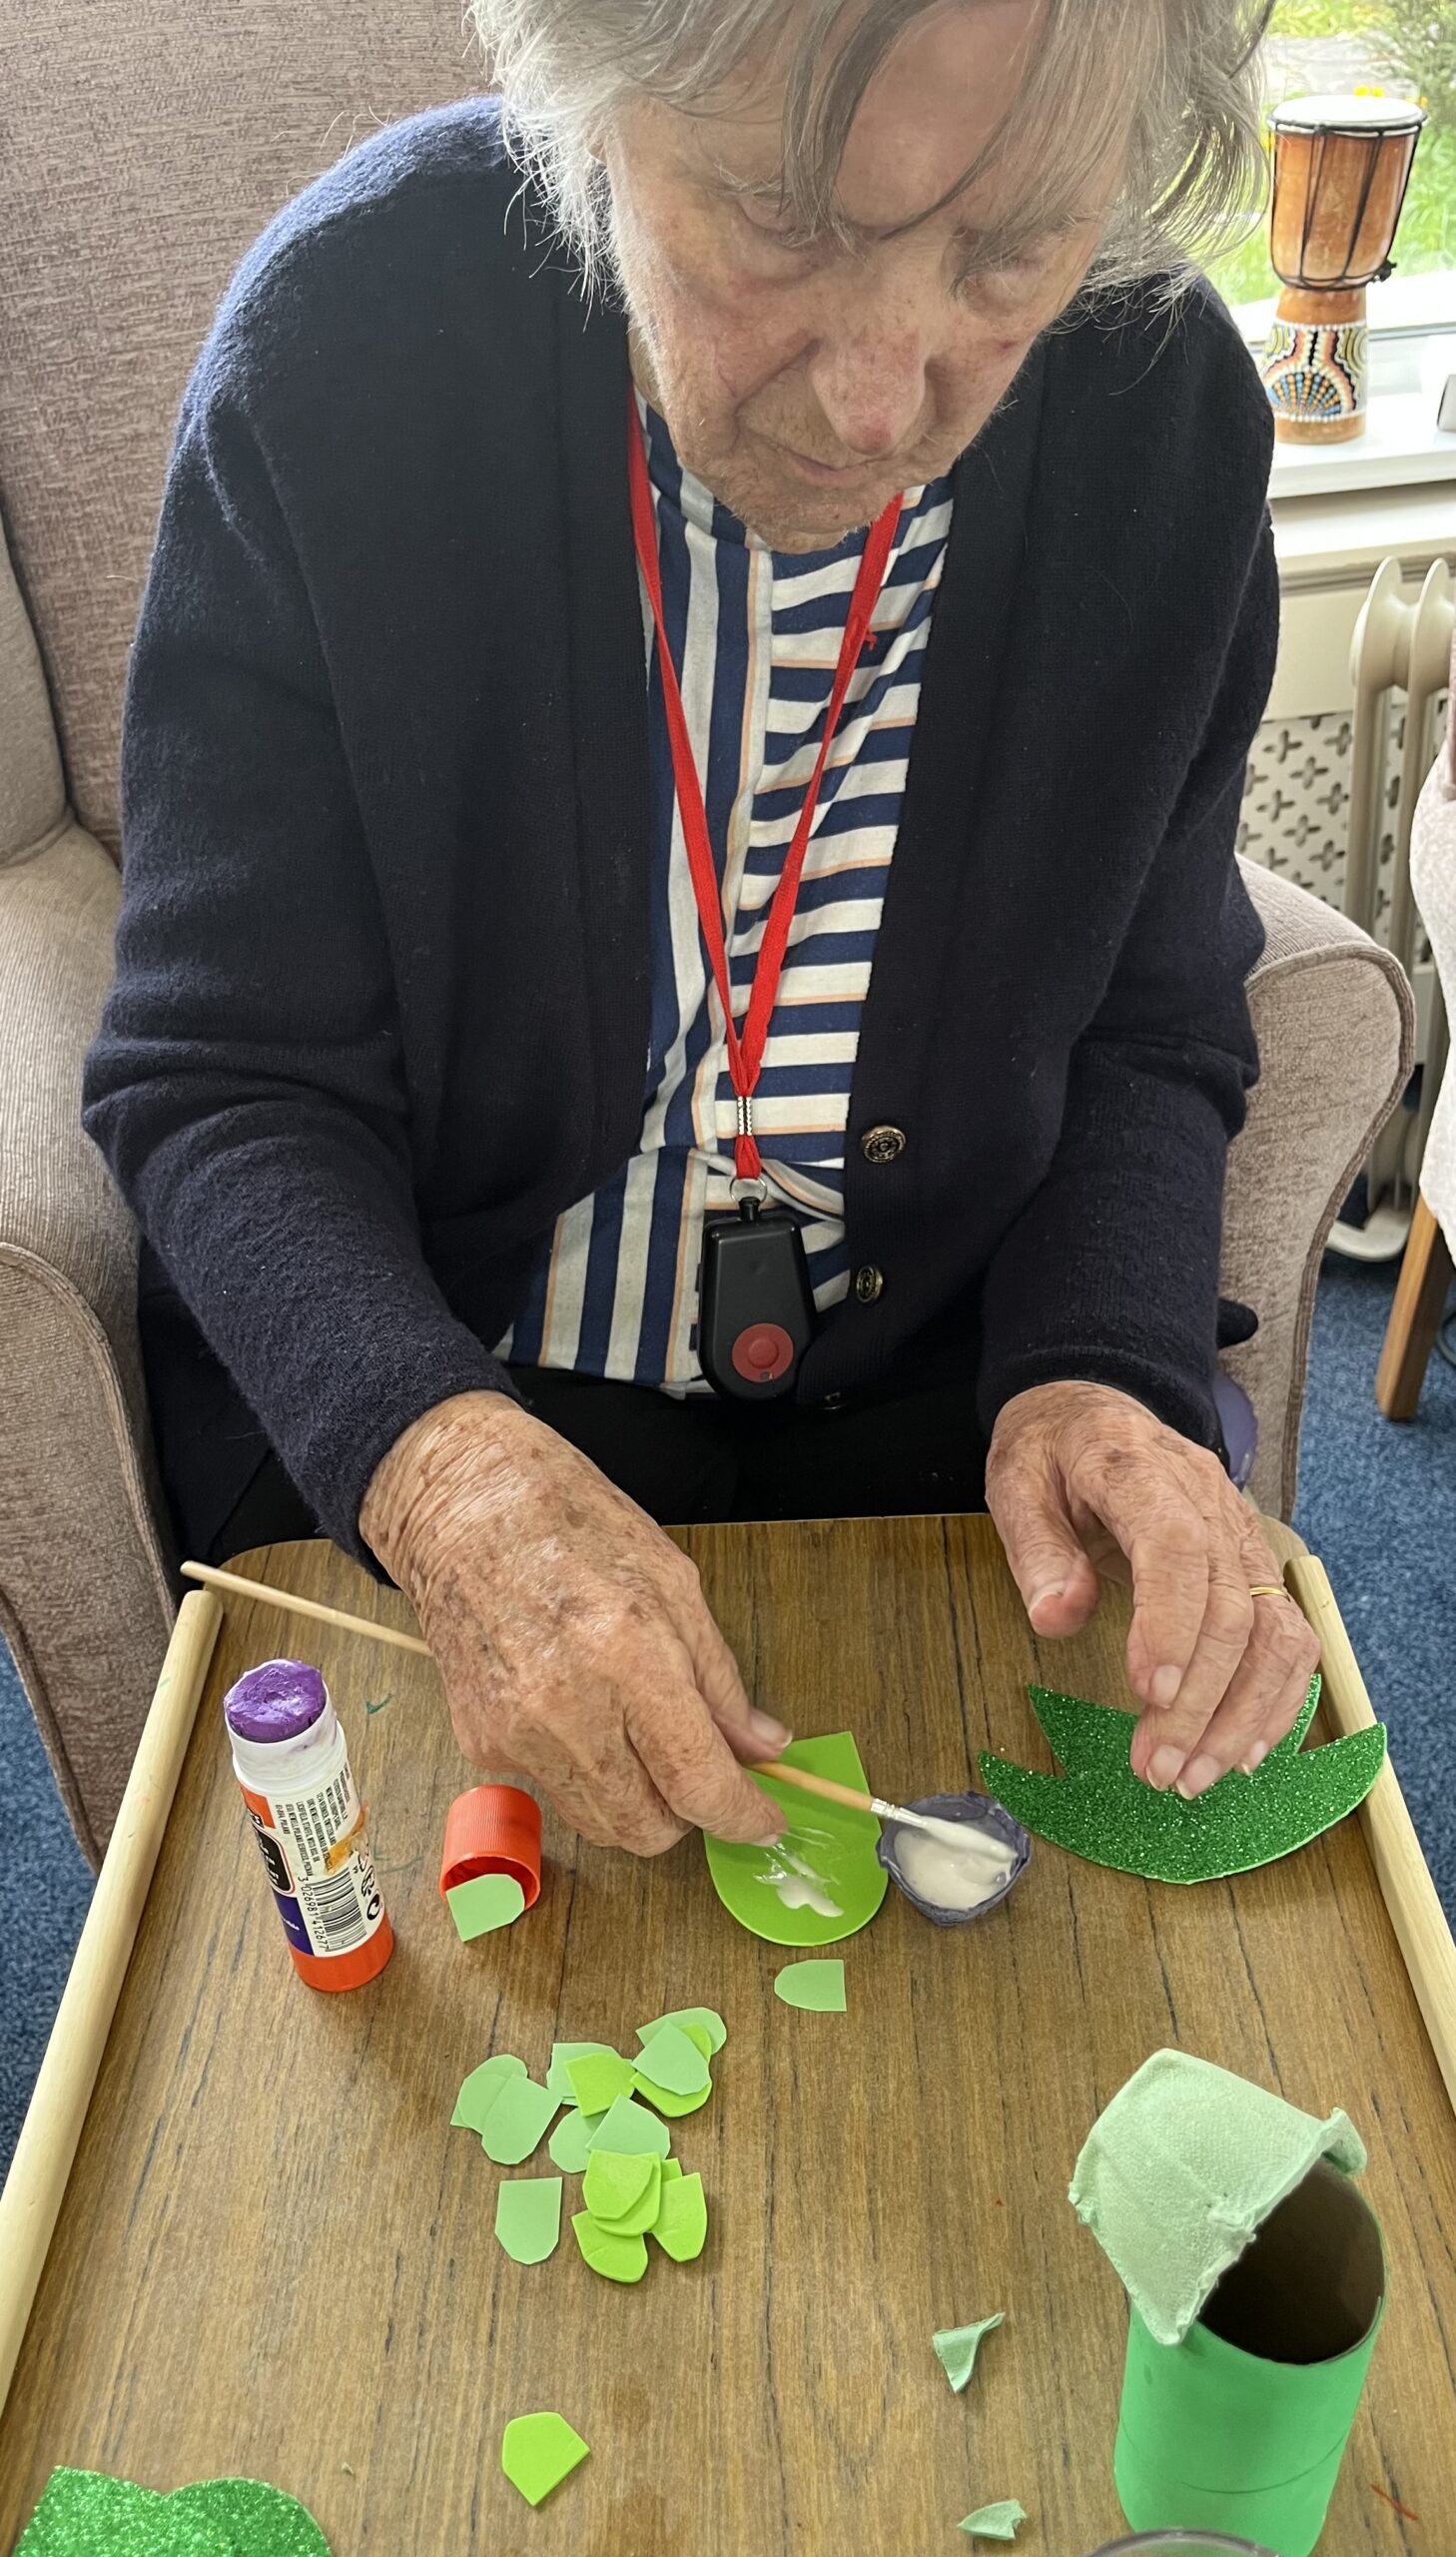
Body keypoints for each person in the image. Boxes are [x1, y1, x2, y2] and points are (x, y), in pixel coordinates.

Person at [83, 0, 1320, 1859]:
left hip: (934, 1402)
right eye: (780, 217)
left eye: (1007, 252)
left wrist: (1096, 1362)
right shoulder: (343, 347)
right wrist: (444, 1476)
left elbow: (1149, 1019)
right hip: (445, 1388)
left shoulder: (1167, 418)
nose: (881, 403)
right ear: (592, 104)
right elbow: (222, 1077)